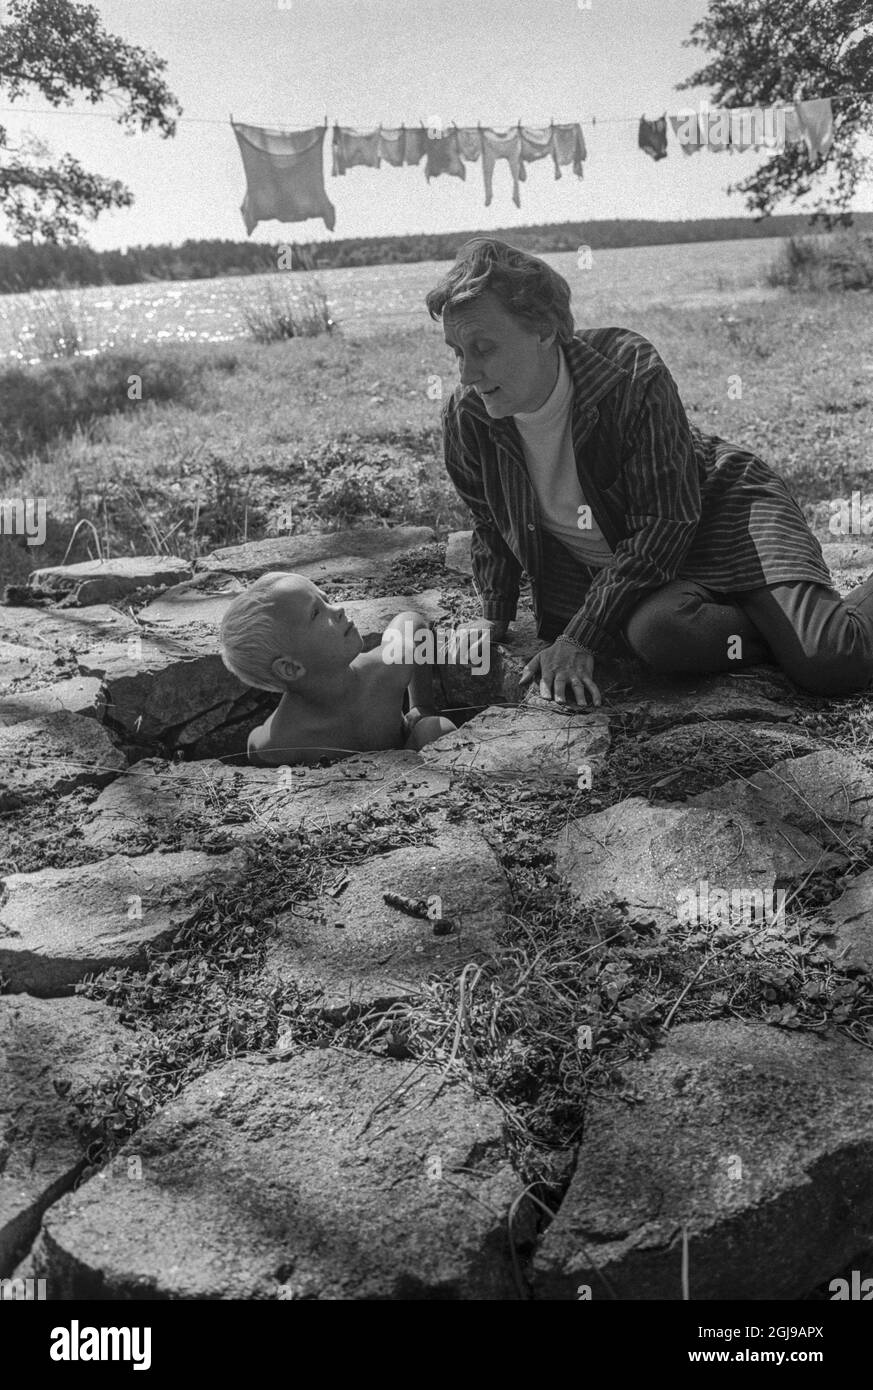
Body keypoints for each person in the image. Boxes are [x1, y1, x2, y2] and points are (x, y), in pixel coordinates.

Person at [425, 238, 873, 707]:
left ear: (543, 329)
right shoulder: (467, 418)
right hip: (650, 577)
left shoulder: (628, 369)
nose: (467, 374)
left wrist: (581, 637)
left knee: (830, 660)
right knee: (658, 635)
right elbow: (491, 521)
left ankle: (792, 629)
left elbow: (664, 524)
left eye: (483, 348)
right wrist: (493, 616)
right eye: (456, 351)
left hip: (726, 516)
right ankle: (771, 626)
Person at [218, 572, 456, 766]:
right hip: (353, 799)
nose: (339, 609)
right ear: (291, 668)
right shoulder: (285, 737)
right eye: (316, 612)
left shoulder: (385, 669)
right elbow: (254, 748)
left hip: (406, 754)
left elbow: (412, 622)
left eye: (327, 599)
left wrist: (421, 705)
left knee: (435, 729)